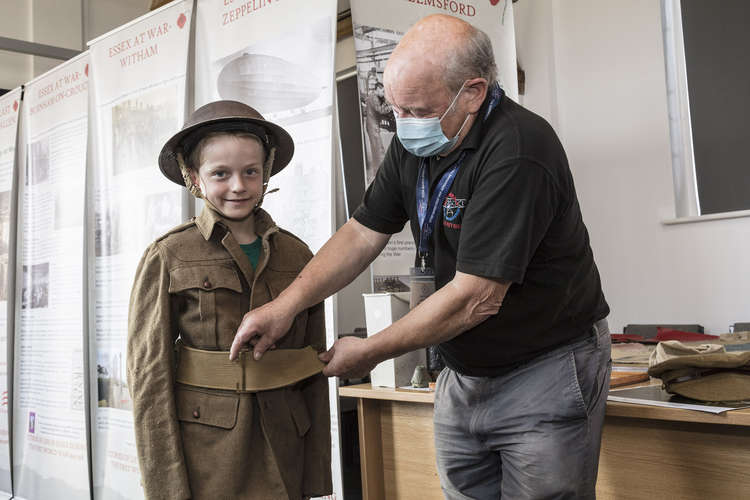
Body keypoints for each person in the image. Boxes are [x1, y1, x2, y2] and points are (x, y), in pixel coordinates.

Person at [231, 14, 611, 500]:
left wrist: (368, 351)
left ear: (473, 92)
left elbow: (475, 298)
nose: (404, 125)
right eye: (396, 109)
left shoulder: (518, 150)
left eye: (415, 110)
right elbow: (362, 233)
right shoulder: (422, 139)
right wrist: (284, 306)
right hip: (464, 370)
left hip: (543, 368)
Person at [126, 100, 331, 500]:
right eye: (220, 173)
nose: (238, 185)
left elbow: (311, 364)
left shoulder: (298, 255)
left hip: (285, 443)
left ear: (265, 172)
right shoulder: (168, 255)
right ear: (194, 177)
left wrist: (317, 473)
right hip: (209, 453)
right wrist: (166, 487)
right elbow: (149, 377)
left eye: (250, 172)